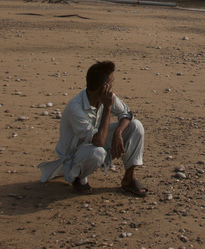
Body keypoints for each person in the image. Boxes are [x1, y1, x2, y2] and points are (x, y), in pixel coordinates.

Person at [38, 60, 147, 196]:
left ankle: (129, 178)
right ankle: (78, 178)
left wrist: (118, 132)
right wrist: (107, 108)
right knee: (97, 152)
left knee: (135, 126)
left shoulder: (106, 96)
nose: (113, 85)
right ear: (104, 87)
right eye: (112, 82)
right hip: (73, 155)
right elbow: (99, 141)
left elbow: (126, 114)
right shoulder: (75, 108)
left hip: (93, 143)